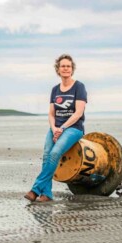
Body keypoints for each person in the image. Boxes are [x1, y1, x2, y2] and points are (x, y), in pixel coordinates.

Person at [25, 54, 87, 202]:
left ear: (72, 69)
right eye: (63, 66)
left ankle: (35, 189)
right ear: (58, 70)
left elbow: (78, 113)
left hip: (73, 128)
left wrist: (63, 128)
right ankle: (47, 194)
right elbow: (51, 113)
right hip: (56, 128)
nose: (65, 68)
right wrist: (54, 128)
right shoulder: (55, 90)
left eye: (68, 66)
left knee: (55, 153)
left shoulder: (79, 86)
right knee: (47, 155)